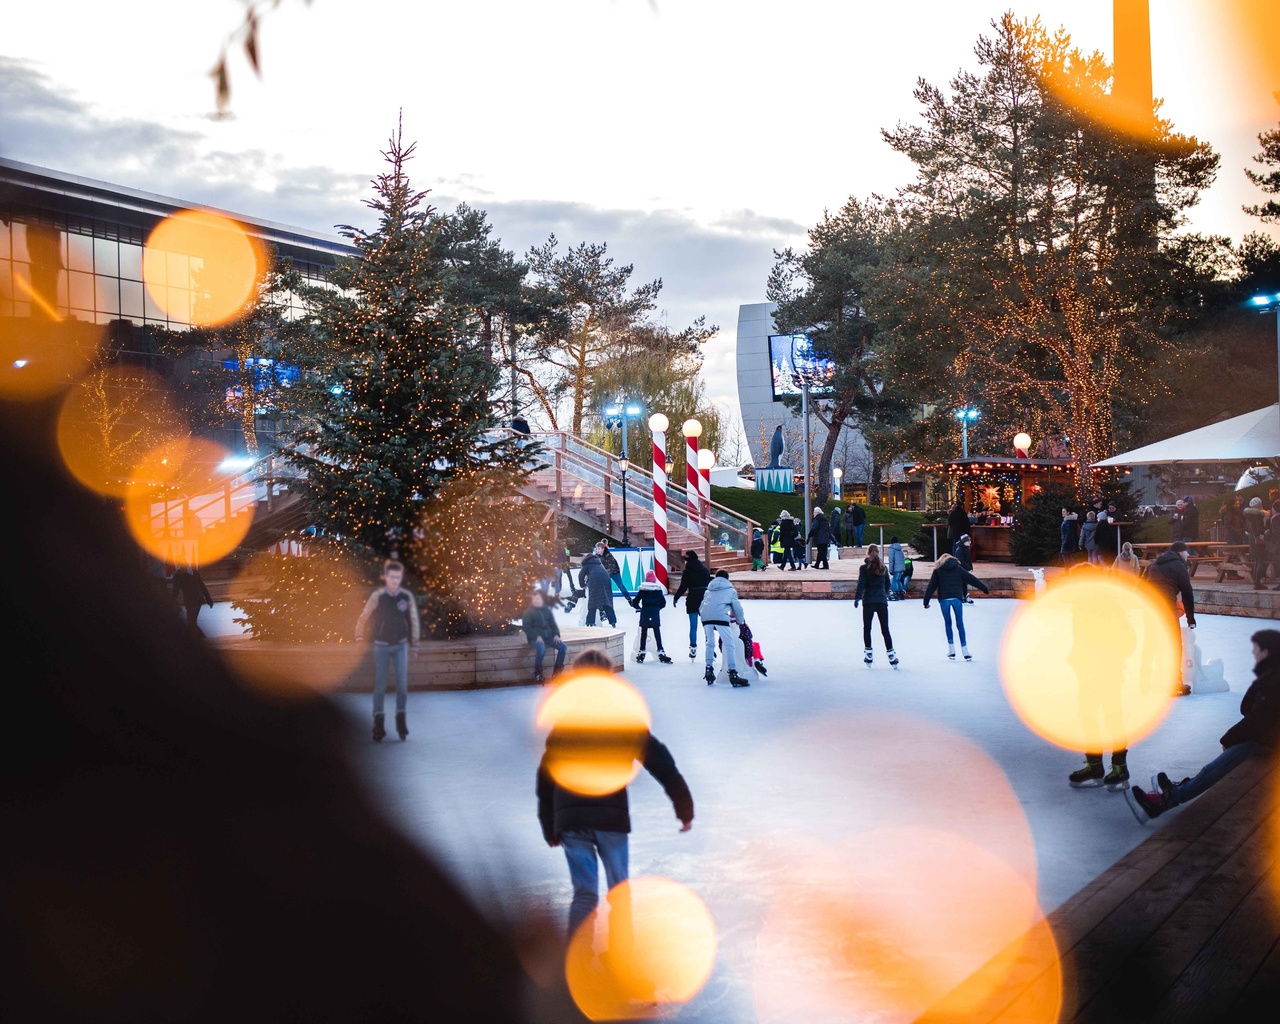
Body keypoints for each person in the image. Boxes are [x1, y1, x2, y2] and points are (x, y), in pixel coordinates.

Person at [537, 650, 694, 937]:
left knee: (584, 895)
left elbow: (546, 778)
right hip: (610, 817)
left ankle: (577, 962)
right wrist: (684, 807)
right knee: (619, 891)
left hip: (571, 819)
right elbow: (661, 763)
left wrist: (550, 825)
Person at [1126, 630, 1280, 822]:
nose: (1254, 653)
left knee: (1223, 761)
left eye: (1257, 648)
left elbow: (1258, 721)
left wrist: (1229, 739)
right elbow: (1247, 708)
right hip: (1267, 737)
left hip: (1269, 741)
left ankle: (1168, 800)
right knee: (1234, 749)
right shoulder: (1270, 676)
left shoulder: (1274, 681)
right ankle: (1181, 787)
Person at [355, 559, 421, 742]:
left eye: (398, 578)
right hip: (381, 646)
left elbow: (413, 621)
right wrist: (359, 637)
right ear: (385, 578)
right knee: (381, 683)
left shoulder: (405, 597)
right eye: (392, 577)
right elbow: (364, 616)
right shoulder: (378, 597)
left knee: (402, 684)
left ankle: (401, 720)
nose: (395, 581)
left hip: (400, 646)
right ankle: (378, 722)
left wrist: (414, 645)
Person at [1145, 540, 1197, 697]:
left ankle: (1145, 681)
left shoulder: (1154, 564)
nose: (1188, 555)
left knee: (1151, 645)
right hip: (1166, 609)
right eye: (1187, 552)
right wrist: (1190, 618)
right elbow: (1187, 593)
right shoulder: (1178, 566)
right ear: (1180, 552)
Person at [922, 553, 990, 662]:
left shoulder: (938, 571)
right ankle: (965, 650)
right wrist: (984, 588)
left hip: (944, 599)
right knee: (960, 624)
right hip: (956, 599)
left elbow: (931, 586)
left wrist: (926, 601)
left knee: (948, 623)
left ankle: (952, 649)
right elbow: (971, 579)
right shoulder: (958, 568)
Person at [699, 570, 751, 687]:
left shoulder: (708, 590)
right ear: (727, 579)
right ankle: (733, 673)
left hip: (706, 617)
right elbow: (737, 608)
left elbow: (702, 605)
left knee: (710, 643)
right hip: (721, 617)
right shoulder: (730, 590)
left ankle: (709, 670)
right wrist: (740, 621)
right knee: (729, 644)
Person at [855, 547, 898, 667]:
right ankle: (891, 655)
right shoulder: (883, 568)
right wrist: (883, 595)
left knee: (867, 628)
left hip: (868, 601)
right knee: (885, 629)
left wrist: (858, 597)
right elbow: (887, 585)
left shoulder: (864, 568)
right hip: (881, 602)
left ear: (867, 553)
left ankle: (868, 653)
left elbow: (861, 583)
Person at [521, 588, 567, 683]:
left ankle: (557, 673)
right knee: (541, 649)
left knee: (563, 647)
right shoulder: (528, 612)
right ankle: (538, 673)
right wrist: (536, 636)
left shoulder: (546, 610)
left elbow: (553, 625)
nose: (536, 601)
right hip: (535, 638)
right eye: (534, 599)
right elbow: (527, 627)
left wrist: (556, 635)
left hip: (549, 636)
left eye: (538, 599)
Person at [672, 550, 711, 660]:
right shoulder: (704, 570)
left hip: (693, 598)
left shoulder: (687, 571)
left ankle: (693, 648)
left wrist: (676, 597)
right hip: (705, 598)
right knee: (706, 625)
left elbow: (683, 586)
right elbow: (709, 583)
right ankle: (710, 647)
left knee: (693, 626)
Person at [631, 570, 672, 663]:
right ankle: (660, 650)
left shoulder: (642, 590)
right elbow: (663, 603)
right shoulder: (658, 590)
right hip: (655, 613)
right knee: (657, 633)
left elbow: (635, 602)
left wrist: (639, 608)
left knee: (643, 633)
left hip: (645, 613)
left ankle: (642, 651)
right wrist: (657, 609)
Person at [579, 545, 616, 627]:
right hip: (606, 579)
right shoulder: (599, 563)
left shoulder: (587, 564)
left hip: (595, 580)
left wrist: (583, 585)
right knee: (606, 600)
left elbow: (580, 575)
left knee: (593, 601)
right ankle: (613, 621)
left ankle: (590, 622)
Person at [171, 564, 213, 636]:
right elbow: (202, 586)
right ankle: (203, 639)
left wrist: (171, 602)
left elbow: (175, 591)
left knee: (191, 623)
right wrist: (208, 599)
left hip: (191, 601)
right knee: (192, 623)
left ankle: (203, 639)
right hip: (198, 600)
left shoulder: (179, 576)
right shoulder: (194, 572)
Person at [1244, 496, 1269, 590]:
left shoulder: (1248, 516)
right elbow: (1259, 529)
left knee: (1257, 561)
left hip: (1251, 540)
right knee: (1261, 561)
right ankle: (1258, 581)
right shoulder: (1258, 516)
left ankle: (1256, 581)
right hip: (1258, 540)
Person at [953, 533, 977, 601]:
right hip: (961, 569)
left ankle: (964, 595)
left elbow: (968, 560)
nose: (970, 542)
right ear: (964, 542)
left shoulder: (966, 548)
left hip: (965, 569)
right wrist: (968, 567)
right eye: (968, 541)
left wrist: (970, 567)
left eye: (970, 541)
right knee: (961, 583)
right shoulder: (960, 550)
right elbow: (961, 561)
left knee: (964, 583)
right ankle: (962, 596)